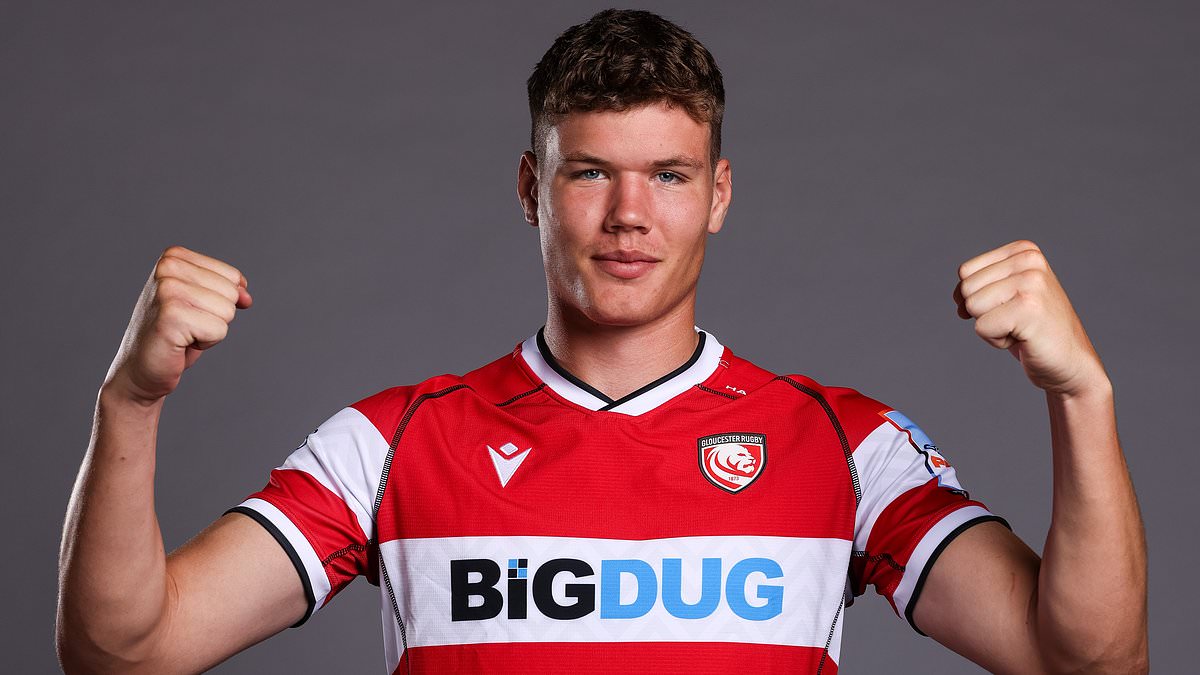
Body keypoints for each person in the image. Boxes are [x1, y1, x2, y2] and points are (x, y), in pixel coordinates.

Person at [56, 8, 1147, 675]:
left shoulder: (843, 446)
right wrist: (130, 404)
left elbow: (1088, 661)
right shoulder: (389, 447)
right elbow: (123, 653)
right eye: (589, 172)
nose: (630, 215)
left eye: (668, 175)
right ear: (533, 189)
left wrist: (1082, 397)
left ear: (718, 195)